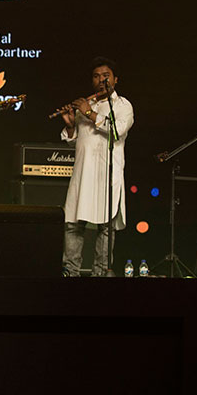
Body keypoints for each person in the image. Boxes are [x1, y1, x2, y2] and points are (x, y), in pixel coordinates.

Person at [60, 57, 134, 277]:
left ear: (115, 79)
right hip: (83, 174)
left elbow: (116, 131)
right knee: (73, 224)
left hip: (106, 175)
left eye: (106, 76)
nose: (101, 80)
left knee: (106, 227)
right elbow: (75, 141)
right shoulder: (86, 105)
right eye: (96, 76)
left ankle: (100, 275)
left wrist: (89, 113)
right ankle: (70, 272)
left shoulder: (123, 106)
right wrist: (71, 126)